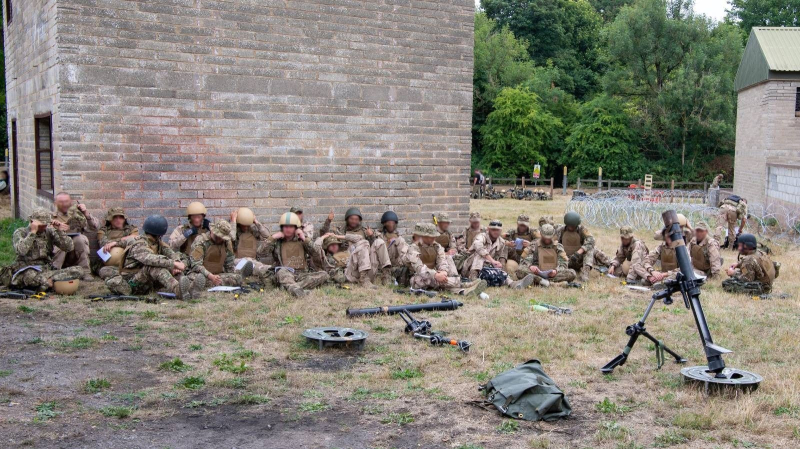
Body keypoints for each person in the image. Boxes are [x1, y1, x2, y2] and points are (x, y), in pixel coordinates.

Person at [104, 215, 200, 299]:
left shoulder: (156, 242)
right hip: (132, 283)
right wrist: (173, 263)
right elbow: (150, 259)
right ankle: (178, 291)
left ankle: (189, 289)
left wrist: (176, 262)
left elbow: (170, 252)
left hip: (146, 281)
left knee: (176, 261)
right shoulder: (139, 244)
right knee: (155, 266)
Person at [4, 208, 84, 291]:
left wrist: (60, 231)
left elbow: (68, 247)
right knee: (30, 276)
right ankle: (49, 283)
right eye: (41, 225)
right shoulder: (21, 232)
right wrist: (33, 232)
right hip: (26, 270)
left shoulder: (49, 232)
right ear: (32, 222)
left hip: (45, 270)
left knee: (78, 270)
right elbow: (21, 251)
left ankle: (46, 282)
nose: (44, 227)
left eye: (46, 225)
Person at [402, 223, 487, 296]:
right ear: (424, 236)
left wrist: (443, 272)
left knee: (447, 260)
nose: (434, 238)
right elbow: (419, 268)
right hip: (417, 277)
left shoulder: (436, 246)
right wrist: (436, 275)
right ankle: (463, 284)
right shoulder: (413, 249)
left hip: (435, 275)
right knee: (424, 279)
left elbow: (442, 260)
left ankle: (463, 292)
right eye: (431, 237)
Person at [320, 207, 392, 287]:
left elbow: (374, 247)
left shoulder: (365, 231)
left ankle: (386, 276)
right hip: (352, 267)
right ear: (347, 219)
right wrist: (328, 221)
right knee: (363, 243)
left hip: (368, 268)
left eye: (356, 219)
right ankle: (363, 280)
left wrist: (371, 236)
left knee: (379, 242)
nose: (354, 221)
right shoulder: (339, 232)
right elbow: (324, 236)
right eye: (351, 219)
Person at [263, 212, 329, 297]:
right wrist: (272, 238)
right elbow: (261, 253)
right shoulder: (277, 241)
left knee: (324, 275)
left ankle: (291, 288)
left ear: (296, 228)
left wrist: (305, 239)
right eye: (285, 227)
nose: (288, 229)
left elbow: (316, 253)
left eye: (291, 227)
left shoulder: (302, 240)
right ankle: (295, 288)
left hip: (302, 275)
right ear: (282, 228)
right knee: (281, 272)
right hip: (286, 273)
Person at [460, 220, 535, 289]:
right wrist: (492, 261)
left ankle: (512, 283)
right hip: (470, 267)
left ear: (501, 231)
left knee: (499, 267)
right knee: (480, 255)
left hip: (485, 268)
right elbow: (478, 247)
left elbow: (497, 258)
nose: (495, 232)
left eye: (497, 230)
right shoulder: (482, 236)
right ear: (488, 229)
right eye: (493, 230)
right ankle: (474, 280)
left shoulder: (501, 242)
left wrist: (498, 265)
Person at [187, 220, 250, 290]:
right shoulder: (201, 241)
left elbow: (229, 264)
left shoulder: (226, 242)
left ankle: (238, 276)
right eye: (219, 236)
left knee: (236, 279)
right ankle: (200, 284)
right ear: (213, 232)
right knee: (199, 279)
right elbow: (196, 265)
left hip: (218, 273)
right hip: (200, 274)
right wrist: (210, 276)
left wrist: (233, 274)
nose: (221, 239)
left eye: (223, 238)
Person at [51, 192, 98, 281]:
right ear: (55, 203)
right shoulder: (50, 217)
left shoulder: (78, 215)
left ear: (71, 202)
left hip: (75, 253)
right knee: (62, 240)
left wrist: (85, 212)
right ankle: (54, 273)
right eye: (61, 202)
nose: (64, 204)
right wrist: (55, 228)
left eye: (66, 201)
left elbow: (94, 227)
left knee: (80, 239)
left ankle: (85, 272)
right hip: (58, 255)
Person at [555, 212, 611, 281]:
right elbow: (554, 244)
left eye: (573, 226)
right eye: (570, 226)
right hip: (566, 260)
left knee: (590, 249)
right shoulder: (561, 230)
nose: (571, 228)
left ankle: (585, 273)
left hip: (578, 259)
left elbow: (591, 240)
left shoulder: (582, 230)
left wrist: (578, 252)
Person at [229, 208, 273, 283]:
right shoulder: (234, 230)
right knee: (244, 264)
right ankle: (240, 273)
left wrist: (256, 222)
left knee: (265, 268)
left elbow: (267, 236)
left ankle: (273, 272)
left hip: (252, 261)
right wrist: (233, 221)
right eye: (243, 225)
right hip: (237, 261)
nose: (246, 228)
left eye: (247, 225)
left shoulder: (252, 230)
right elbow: (231, 237)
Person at [95, 207, 139, 278]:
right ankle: (124, 273)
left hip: (127, 262)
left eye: (121, 217)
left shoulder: (132, 229)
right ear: (110, 219)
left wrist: (114, 243)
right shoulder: (103, 231)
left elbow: (134, 240)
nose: (118, 220)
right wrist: (124, 240)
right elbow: (104, 243)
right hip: (109, 265)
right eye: (115, 217)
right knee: (103, 272)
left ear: (124, 219)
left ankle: (126, 272)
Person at [380, 211, 410, 285]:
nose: (391, 225)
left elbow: (404, 250)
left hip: (396, 264)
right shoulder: (380, 236)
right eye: (389, 223)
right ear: (384, 224)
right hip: (383, 266)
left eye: (393, 223)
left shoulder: (399, 239)